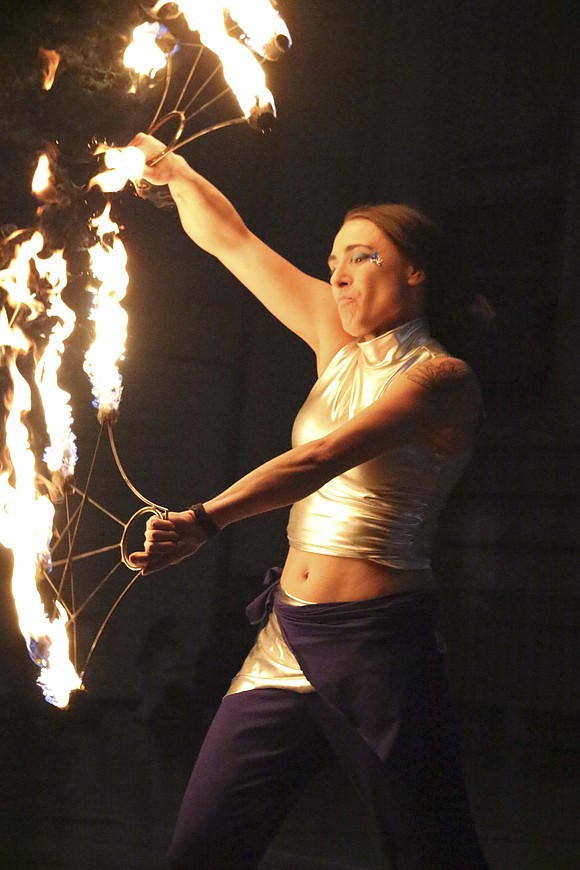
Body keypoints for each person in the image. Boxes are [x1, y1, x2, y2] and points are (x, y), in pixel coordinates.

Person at [129, 132, 490, 870]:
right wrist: (175, 172)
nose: (339, 277)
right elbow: (232, 242)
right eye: (332, 262)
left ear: (415, 269)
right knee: (200, 851)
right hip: (284, 641)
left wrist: (204, 521)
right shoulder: (337, 341)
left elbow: (322, 457)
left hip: (379, 651)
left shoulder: (443, 379)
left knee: (434, 855)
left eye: (361, 255)